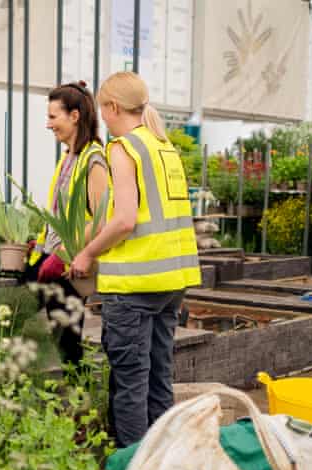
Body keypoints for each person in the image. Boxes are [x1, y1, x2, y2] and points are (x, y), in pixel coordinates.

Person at [69, 72, 201, 447]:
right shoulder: (163, 147)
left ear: (112, 107)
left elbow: (125, 219)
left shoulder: (122, 148)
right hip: (171, 281)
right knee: (159, 377)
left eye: (103, 110)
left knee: (130, 382)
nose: (102, 119)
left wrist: (88, 252)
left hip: (134, 285)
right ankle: (161, 462)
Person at [26, 81, 109, 368]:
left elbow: (102, 221)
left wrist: (61, 254)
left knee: (67, 343)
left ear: (74, 116)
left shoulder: (93, 160)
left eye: (53, 117)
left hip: (71, 263)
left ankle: (75, 403)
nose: (48, 124)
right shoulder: (69, 158)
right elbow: (57, 214)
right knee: (57, 337)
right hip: (52, 257)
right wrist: (38, 248)